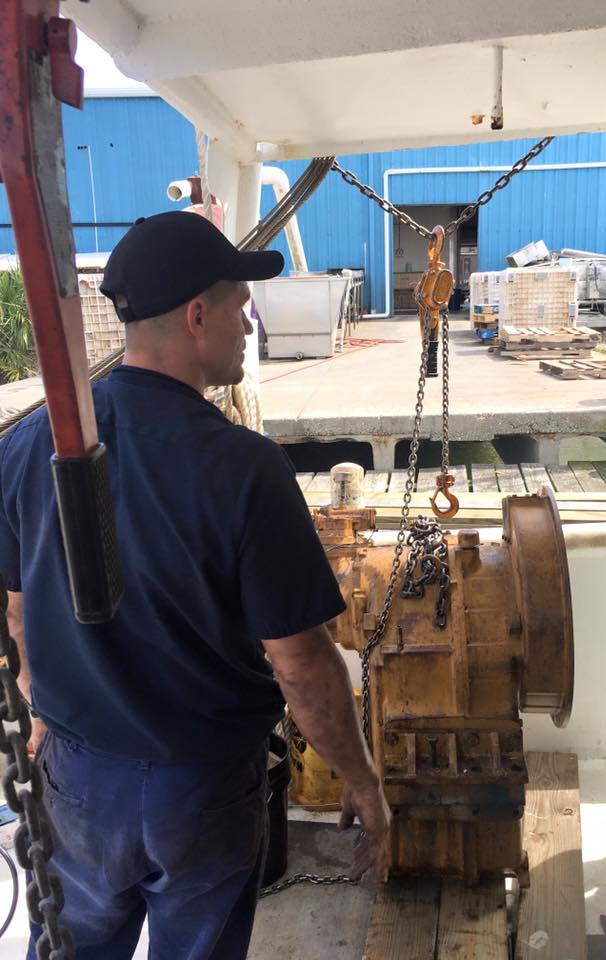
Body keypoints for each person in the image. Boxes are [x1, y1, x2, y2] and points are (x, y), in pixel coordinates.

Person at [0, 211, 390, 960]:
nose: (250, 326)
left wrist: (46, 714)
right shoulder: (245, 468)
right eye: (240, 308)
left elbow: (19, 614)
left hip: (78, 778)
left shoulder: (30, 445)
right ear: (197, 314)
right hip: (200, 789)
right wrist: (361, 782)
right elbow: (301, 665)